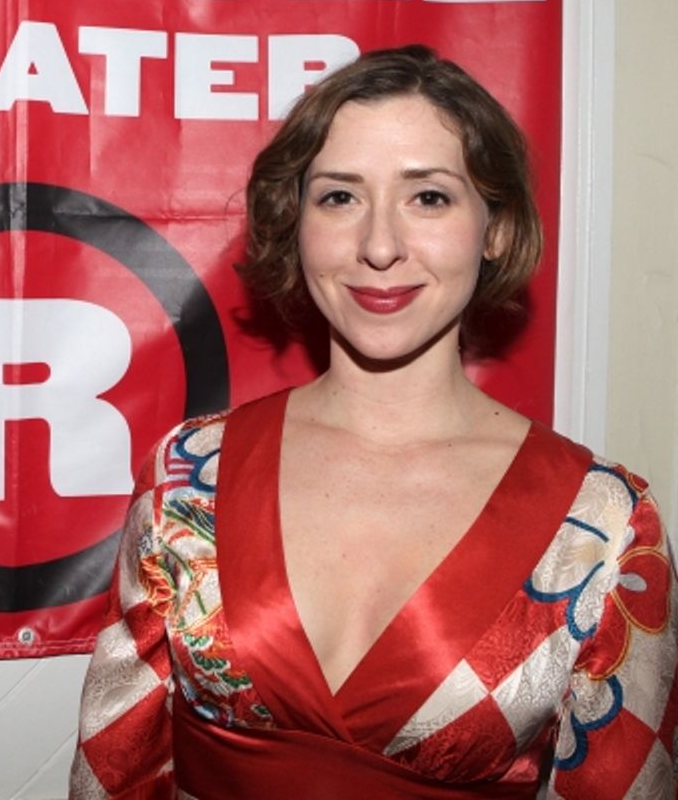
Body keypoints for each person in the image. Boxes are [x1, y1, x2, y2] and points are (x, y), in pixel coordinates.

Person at [69, 45, 677, 799]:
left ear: (494, 227)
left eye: (428, 198)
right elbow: (115, 773)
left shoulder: (603, 523)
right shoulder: (188, 473)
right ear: (294, 222)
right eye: (339, 197)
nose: (379, 247)